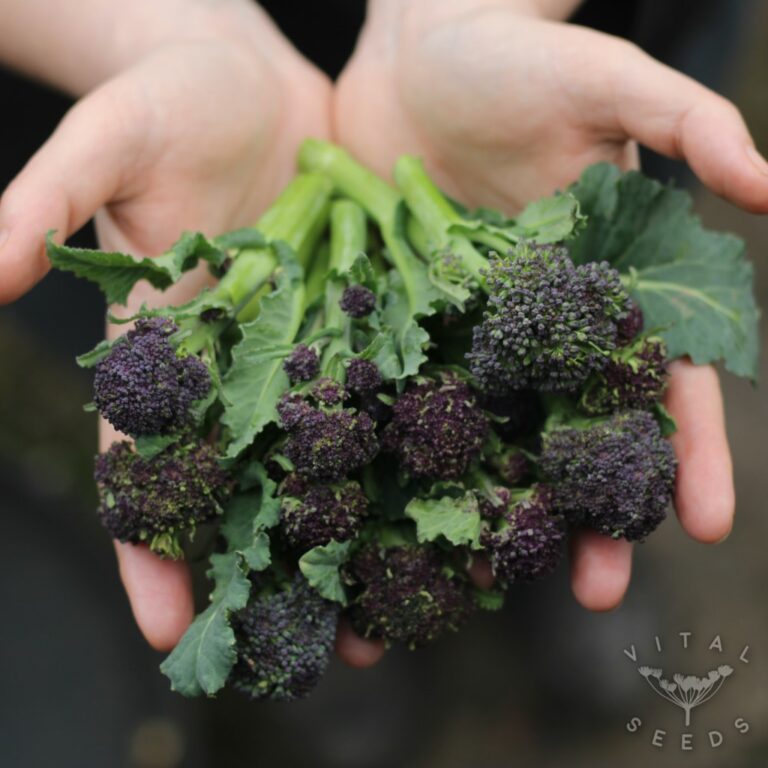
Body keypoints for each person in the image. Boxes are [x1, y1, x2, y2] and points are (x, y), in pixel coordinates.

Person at [0, 0, 765, 669]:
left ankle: (531, 556)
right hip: (129, 97)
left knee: (607, 237)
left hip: (528, 90)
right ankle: (341, 600)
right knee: (139, 355)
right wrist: (146, 27)